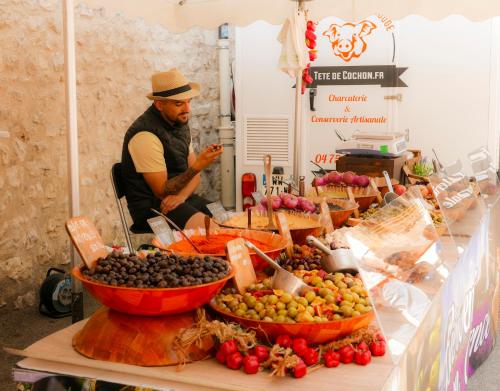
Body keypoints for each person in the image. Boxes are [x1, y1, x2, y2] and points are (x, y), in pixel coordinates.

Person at [121, 68, 223, 231]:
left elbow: (195, 178)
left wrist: (181, 197)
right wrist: (199, 165)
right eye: (179, 103)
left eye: (188, 101)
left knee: (227, 221)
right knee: (214, 233)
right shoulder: (145, 135)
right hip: (154, 209)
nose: (187, 109)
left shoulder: (179, 123)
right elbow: (161, 192)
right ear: (159, 104)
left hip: (180, 200)